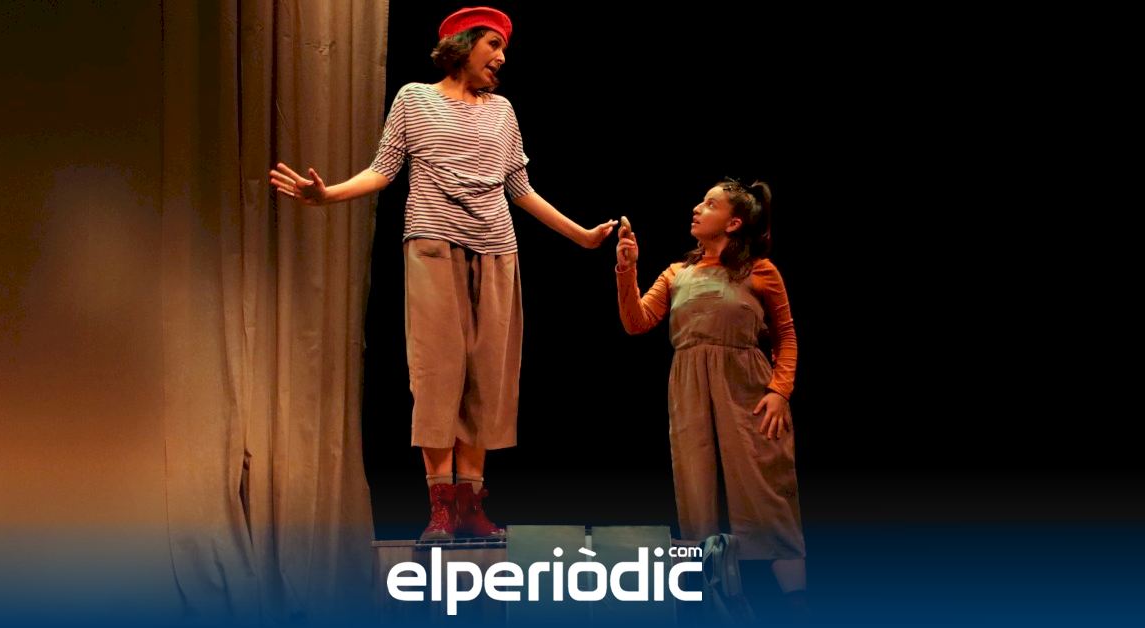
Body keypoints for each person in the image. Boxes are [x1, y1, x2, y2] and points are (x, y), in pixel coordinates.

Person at [270, 7, 614, 542]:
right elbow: (383, 170)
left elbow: (520, 190)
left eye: (504, 50)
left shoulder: (503, 111)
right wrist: (327, 195)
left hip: (497, 250)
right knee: (437, 372)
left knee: (487, 375)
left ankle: (471, 504)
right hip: (433, 243)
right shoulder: (414, 98)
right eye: (493, 45)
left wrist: (582, 236)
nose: (502, 58)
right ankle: (440, 506)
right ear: (463, 43)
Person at [615, 179, 809, 617]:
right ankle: (715, 602)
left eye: (710, 203)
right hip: (689, 389)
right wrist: (627, 269)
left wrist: (780, 391)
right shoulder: (676, 273)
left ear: (734, 222)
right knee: (696, 492)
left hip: (747, 390)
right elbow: (636, 321)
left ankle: (798, 609)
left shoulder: (760, 270)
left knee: (765, 494)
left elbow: (786, 336)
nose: (697, 208)